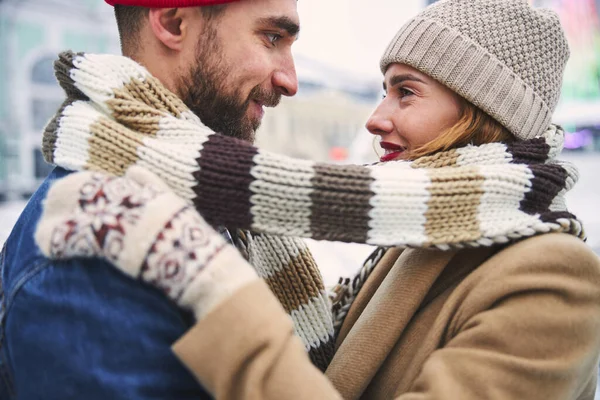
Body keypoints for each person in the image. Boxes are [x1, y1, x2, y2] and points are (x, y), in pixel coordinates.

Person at [33, 0, 600, 398]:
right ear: (171, 21)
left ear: (486, 117)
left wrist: (206, 279)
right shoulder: (423, 237)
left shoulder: (555, 276)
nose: (376, 118)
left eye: (406, 92)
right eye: (271, 37)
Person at [0, 0, 341, 398]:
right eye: (271, 38)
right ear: (173, 22)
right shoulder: (96, 249)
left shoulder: (210, 195)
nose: (290, 80)